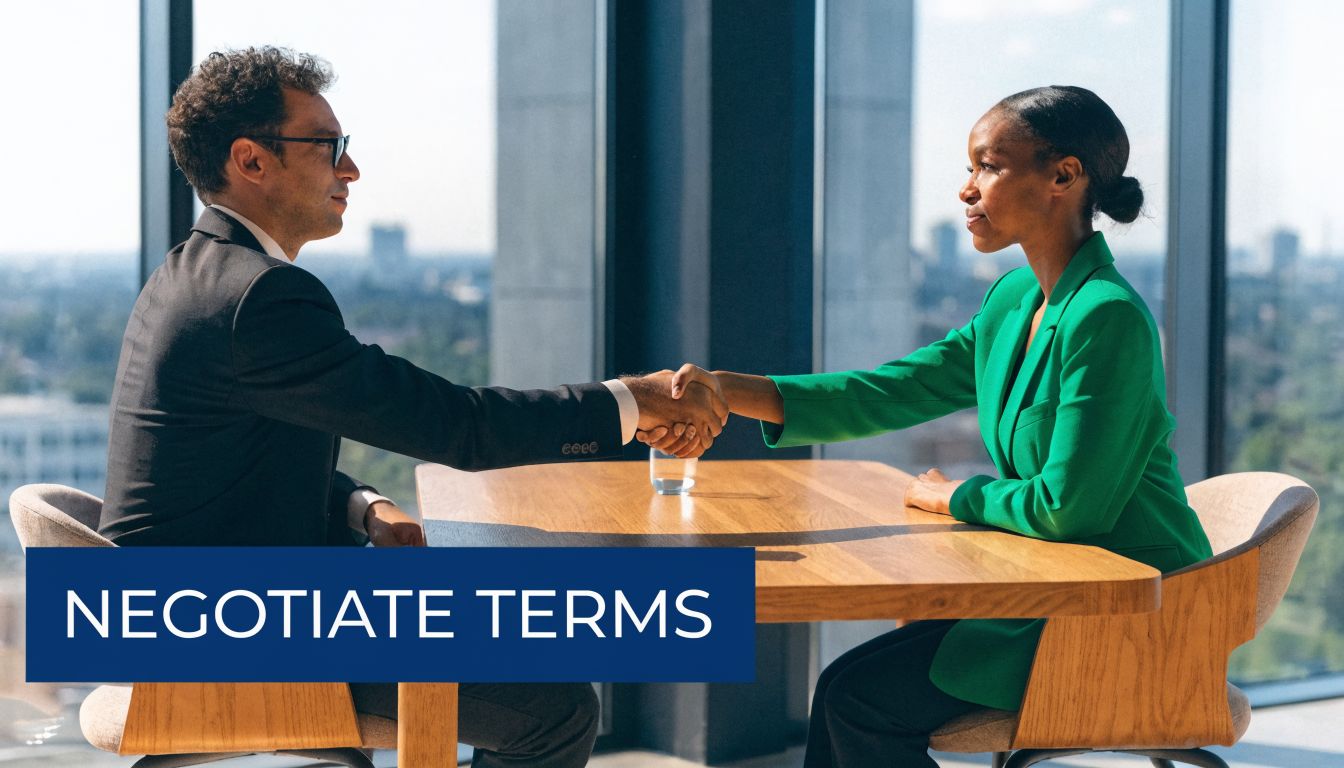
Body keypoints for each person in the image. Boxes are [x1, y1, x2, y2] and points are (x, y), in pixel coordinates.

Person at [100, 46, 723, 768]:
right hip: (231, 631)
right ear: (251, 160)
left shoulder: (195, 275)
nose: (351, 170)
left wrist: (362, 506)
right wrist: (628, 403)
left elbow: (228, 464)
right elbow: (455, 424)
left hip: (194, 609)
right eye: (329, 146)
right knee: (555, 708)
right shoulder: (257, 298)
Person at [650, 86, 1215, 767]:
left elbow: (1069, 507)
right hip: (1045, 592)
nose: (965, 191)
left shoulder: (1108, 317)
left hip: (1122, 613)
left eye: (988, 166)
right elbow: (897, 390)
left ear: (1063, 176)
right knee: (843, 689)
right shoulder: (1013, 299)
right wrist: (726, 388)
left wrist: (955, 496)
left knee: (858, 702)